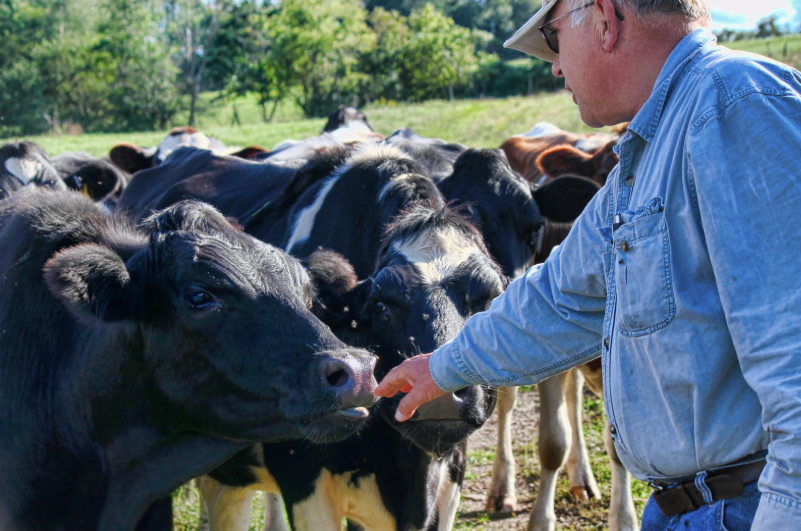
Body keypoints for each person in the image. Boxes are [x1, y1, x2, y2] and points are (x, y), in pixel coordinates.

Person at [374, 0, 801, 529]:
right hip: (693, 506)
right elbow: (558, 301)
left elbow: (795, 354)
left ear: (603, 18)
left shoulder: (735, 102)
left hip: (755, 506)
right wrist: (440, 367)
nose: (553, 66)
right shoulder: (646, 153)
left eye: (553, 39)